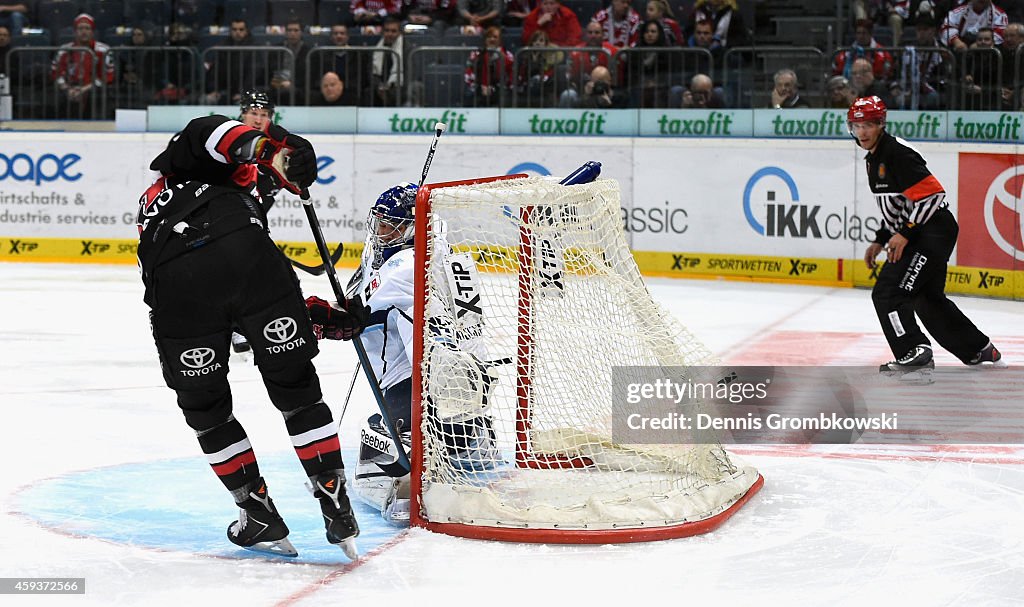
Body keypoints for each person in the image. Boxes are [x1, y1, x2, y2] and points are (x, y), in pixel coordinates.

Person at [136, 113, 366, 558]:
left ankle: (257, 512)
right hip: (251, 265)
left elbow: (219, 289)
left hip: (179, 295)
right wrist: (270, 151)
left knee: (206, 410)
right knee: (297, 389)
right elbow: (220, 134)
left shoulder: (156, 206)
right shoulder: (194, 153)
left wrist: (308, 314)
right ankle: (335, 501)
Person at [306, 182, 500, 523]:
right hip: (468, 400)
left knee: (378, 435)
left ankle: (409, 482)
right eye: (378, 223)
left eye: (388, 226)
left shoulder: (406, 265)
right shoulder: (449, 257)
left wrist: (305, 317)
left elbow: (353, 312)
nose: (380, 233)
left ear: (411, 229)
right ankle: (471, 442)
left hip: (419, 394)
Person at [848, 96, 1003, 374]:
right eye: (857, 126)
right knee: (927, 298)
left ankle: (913, 350)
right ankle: (978, 349)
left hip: (932, 231)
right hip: (924, 231)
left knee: (889, 292)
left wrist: (905, 233)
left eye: (869, 125)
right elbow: (900, 207)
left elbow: (934, 196)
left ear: (881, 124)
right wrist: (881, 238)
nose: (863, 132)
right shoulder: (874, 158)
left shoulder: (897, 152)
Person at [50, 13, 115, 119]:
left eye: (87, 28)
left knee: (97, 96)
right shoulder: (64, 50)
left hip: (93, 90)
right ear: (75, 31)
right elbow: (56, 74)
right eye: (80, 28)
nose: (84, 32)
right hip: (70, 89)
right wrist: (67, 89)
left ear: (92, 31)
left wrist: (84, 89)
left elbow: (106, 76)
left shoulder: (103, 50)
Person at [204, 19, 265, 105]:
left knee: (241, 102)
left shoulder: (254, 47)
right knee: (207, 100)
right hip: (225, 89)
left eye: (241, 29)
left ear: (246, 31)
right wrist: (214, 90)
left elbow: (253, 74)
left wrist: (244, 92)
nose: (237, 32)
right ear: (230, 31)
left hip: (247, 90)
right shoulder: (223, 46)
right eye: (234, 29)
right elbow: (215, 71)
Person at [464, 25, 515, 106]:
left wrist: (501, 57)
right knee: (469, 95)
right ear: (485, 39)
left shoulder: (507, 55)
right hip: (480, 87)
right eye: (489, 37)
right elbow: (469, 73)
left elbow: (511, 75)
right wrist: (481, 86)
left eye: (495, 37)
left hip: (500, 89)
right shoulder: (476, 54)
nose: (492, 39)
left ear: (500, 40)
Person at [940, 0, 1008, 50]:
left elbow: (1001, 32)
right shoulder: (959, 11)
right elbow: (946, 27)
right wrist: (956, 42)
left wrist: (979, 44)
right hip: (962, 48)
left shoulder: (999, 14)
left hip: (987, 52)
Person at [371, 16, 403, 106]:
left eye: (393, 31)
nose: (390, 34)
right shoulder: (376, 47)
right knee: (369, 91)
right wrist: (379, 86)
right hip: (380, 85)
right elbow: (371, 72)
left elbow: (410, 72)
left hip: (399, 85)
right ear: (382, 32)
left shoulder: (407, 48)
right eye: (387, 30)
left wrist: (391, 87)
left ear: (399, 33)